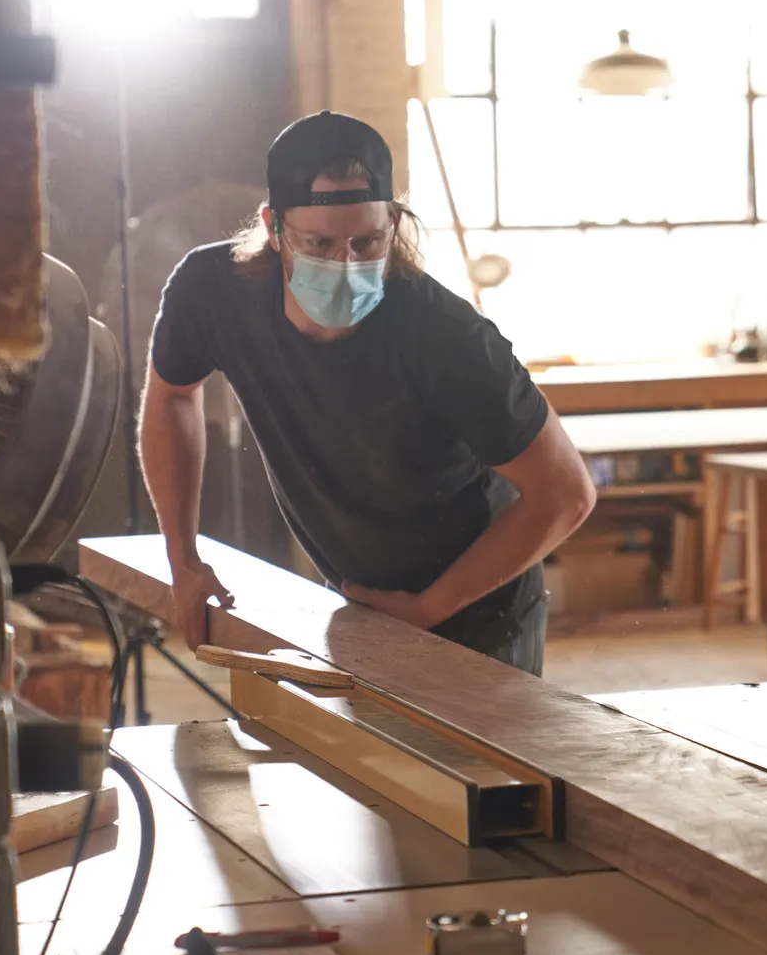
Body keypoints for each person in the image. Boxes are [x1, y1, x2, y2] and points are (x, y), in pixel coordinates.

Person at [142, 111, 595, 675]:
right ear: (275, 227)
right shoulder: (213, 293)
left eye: (367, 240)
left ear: (395, 223)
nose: (346, 264)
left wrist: (429, 607)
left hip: (478, 603)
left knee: (468, 762)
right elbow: (172, 396)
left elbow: (567, 493)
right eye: (319, 243)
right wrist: (182, 560)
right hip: (356, 597)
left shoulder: (448, 339)